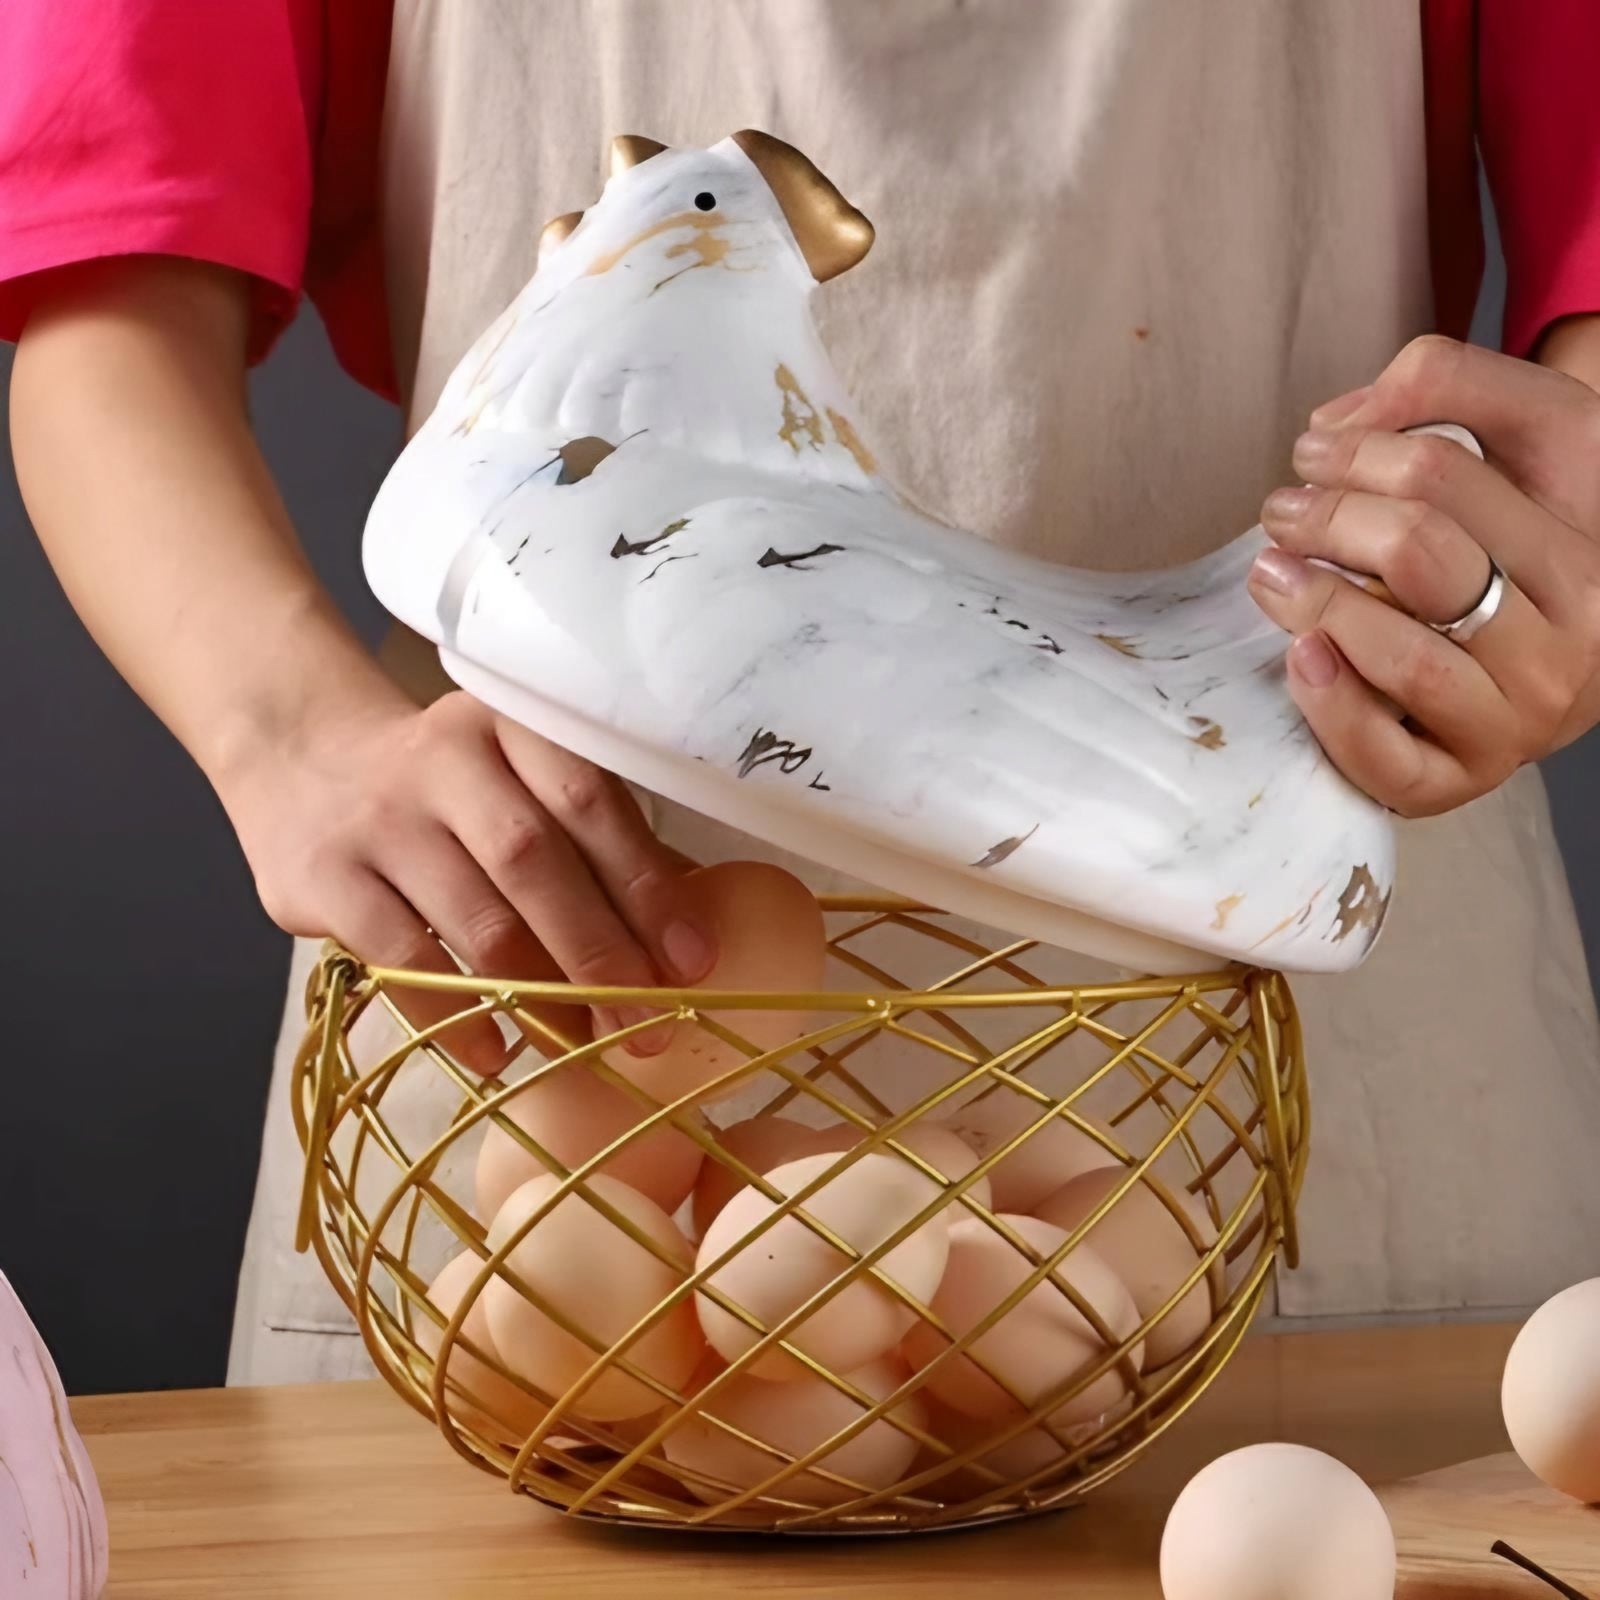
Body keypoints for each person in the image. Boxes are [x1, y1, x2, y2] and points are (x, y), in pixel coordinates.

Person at [5, 1, 1600, 1387]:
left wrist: (1558, 544)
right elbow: (104, 273)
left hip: (1313, 959)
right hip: (546, 1037)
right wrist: (286, 731)